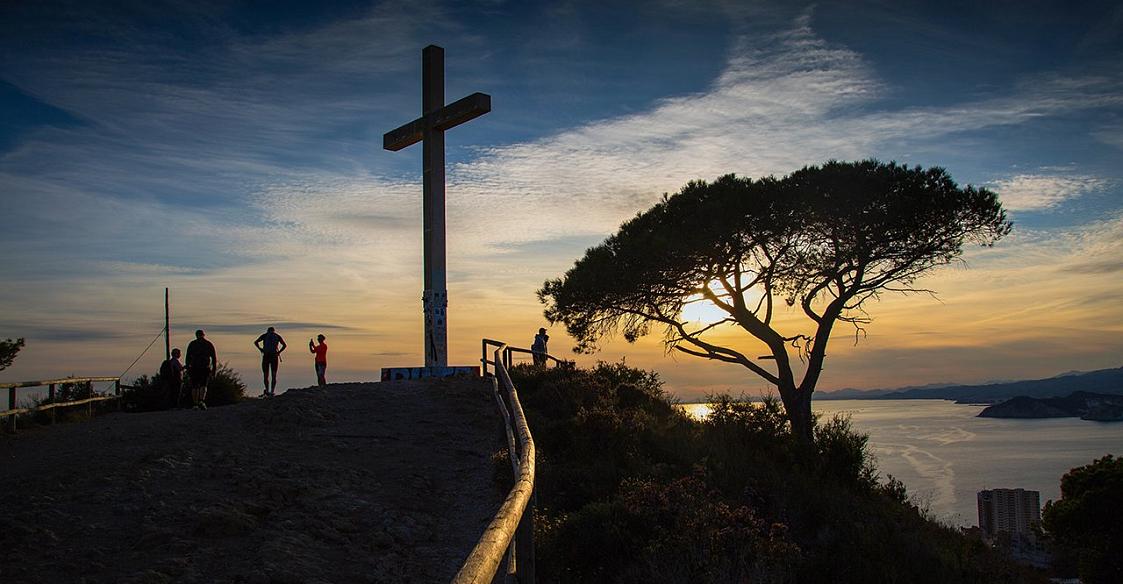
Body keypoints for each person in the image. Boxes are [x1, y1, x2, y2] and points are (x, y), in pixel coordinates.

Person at [185, 330, 216, 410]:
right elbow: (214, 358)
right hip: (204, 367)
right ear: (203, 335)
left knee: (195, 386)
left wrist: (188, 368)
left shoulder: (192, 344)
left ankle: (195, 403)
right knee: (203, 385)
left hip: (194, 367)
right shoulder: (208, 344)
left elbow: (187, 357)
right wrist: (213, 370)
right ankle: (201, 400)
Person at [254, 326, 287, 397]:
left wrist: (260, 349)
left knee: (266, 375)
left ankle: (267, 390)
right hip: (274, 356)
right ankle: (272, 391)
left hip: (266, 356)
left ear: (268, 331)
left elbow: (256, 342)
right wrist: (279, 352)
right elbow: (284, 345)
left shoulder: (264, 335)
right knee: (274, 375)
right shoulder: (277, 336)